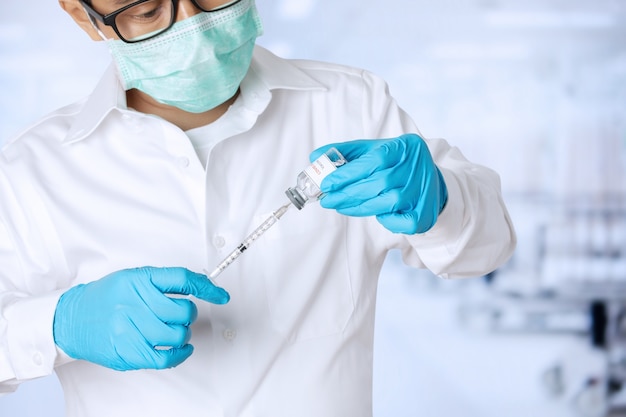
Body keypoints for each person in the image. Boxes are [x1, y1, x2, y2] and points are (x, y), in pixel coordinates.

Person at [0, 0, 516, 415]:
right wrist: (59, 323)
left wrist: (441, 201)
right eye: (148, 10)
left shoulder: (352, 104)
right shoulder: (34, 169)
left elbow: (488, 245)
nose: (194, 25)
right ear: (82, 15)